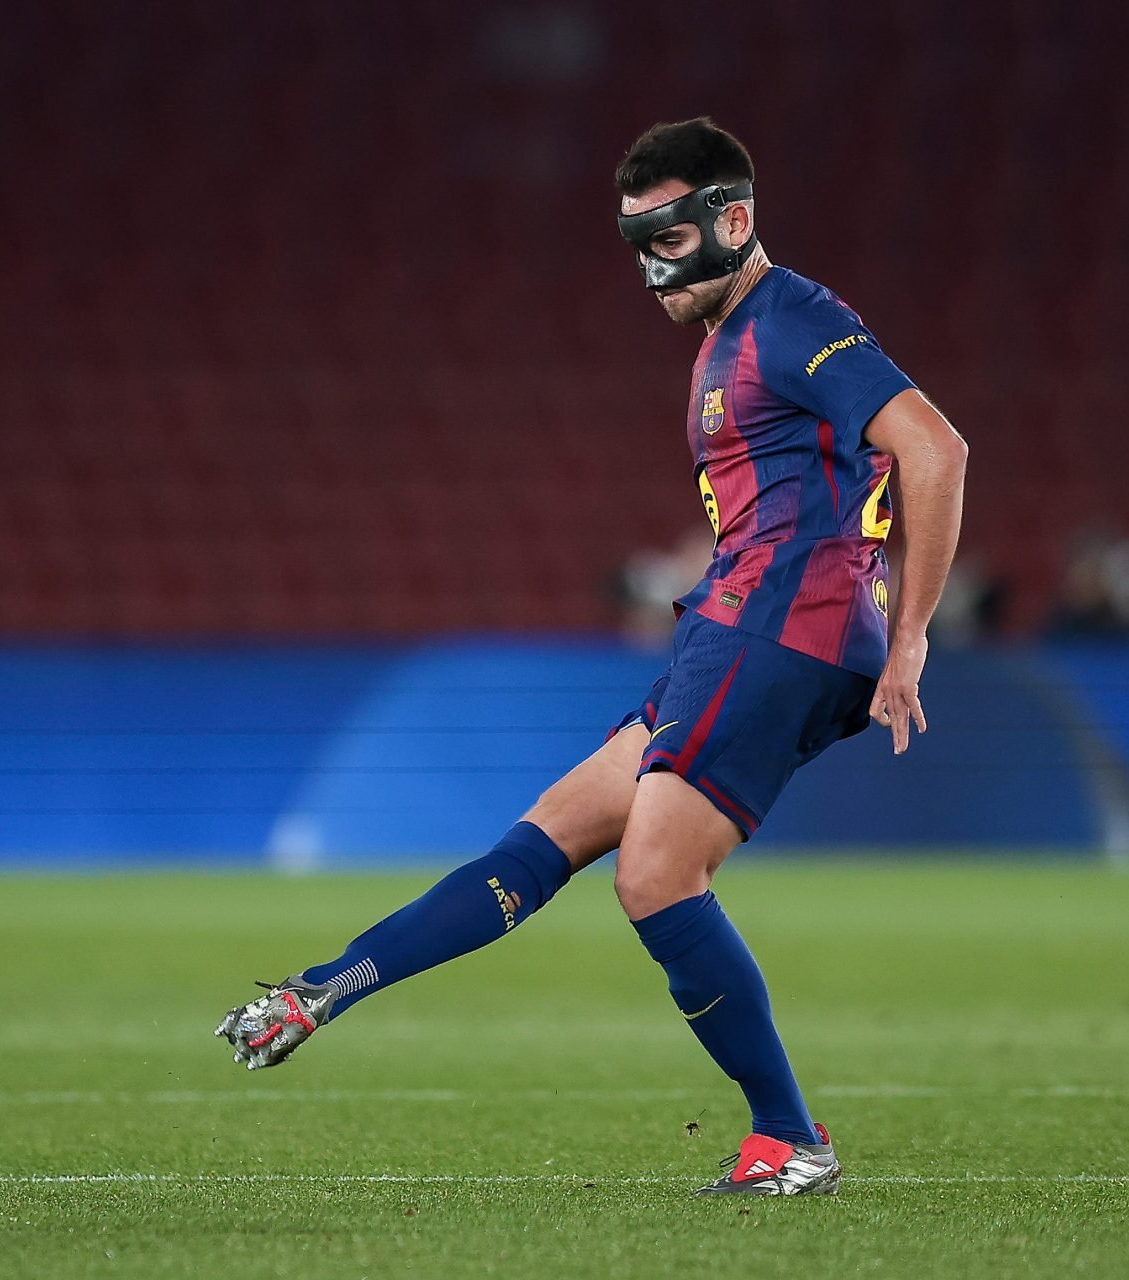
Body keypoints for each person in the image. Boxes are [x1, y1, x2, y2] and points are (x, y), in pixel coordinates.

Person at [215, 117, 969, 1197]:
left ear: (733, 221)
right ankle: (322, 989)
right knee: (546, 837)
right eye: (638, 245)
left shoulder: (791, 317)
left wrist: (913, 636)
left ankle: (791, 1139)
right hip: (734, 625)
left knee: (655, 873)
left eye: (670, 239)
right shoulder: (726, 342)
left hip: (782, 625)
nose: (653, 268)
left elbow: (935, 448)